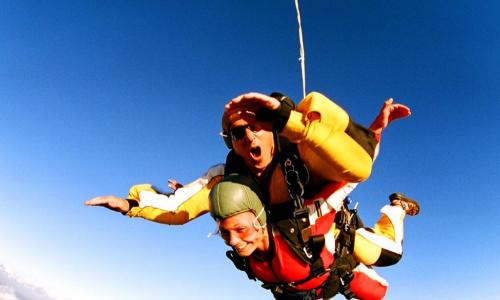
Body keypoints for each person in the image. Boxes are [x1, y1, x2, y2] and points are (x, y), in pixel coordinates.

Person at [209, 174, 419, 300]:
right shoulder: (251, 255)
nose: (233, 241)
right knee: (377, 293)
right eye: (224, 233)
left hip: (344, 245)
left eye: (240, 230)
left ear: (259, 220)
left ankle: (397, 208)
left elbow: (348, 180)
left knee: (392, 254)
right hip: (322, 281)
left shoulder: (301, 224)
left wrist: (374, 132)